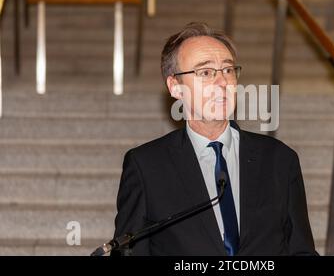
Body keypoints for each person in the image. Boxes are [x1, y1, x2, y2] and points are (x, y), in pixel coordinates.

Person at [113, 22, 317, 255]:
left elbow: (301, 250)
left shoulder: (280, 159)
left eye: (228, 70)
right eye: (206, 73)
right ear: (175, 87)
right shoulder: (146, 166)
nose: (222, 82)